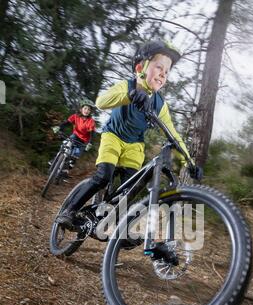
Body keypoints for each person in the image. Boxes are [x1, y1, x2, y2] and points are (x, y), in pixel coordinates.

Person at [57, 40, 202, 228]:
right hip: (113, 136)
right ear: (140, 67)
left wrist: (188, 161)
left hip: (135, 145)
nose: (163, 74)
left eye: (167, 71)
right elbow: (101, 102)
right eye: (159, 67)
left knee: (130, 189)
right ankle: (69, 211)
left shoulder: (160, 104)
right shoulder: (127, 86)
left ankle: (118, 226)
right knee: (103, 177)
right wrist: (130, 95)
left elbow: (173, 134)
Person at [51, 99, 96, 175]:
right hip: (75, 135)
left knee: (75, 157)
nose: (87, 110)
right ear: (81, 109)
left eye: (89, 109)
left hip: (83, 141)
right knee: (66, 144)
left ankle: (65, 172)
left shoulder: (91, 121)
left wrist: (90, 143)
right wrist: (59, 127)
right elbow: (67, 123)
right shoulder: (75, 116)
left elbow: (92, 134)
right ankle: (56, 159)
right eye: (85, 108)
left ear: (90, 112)